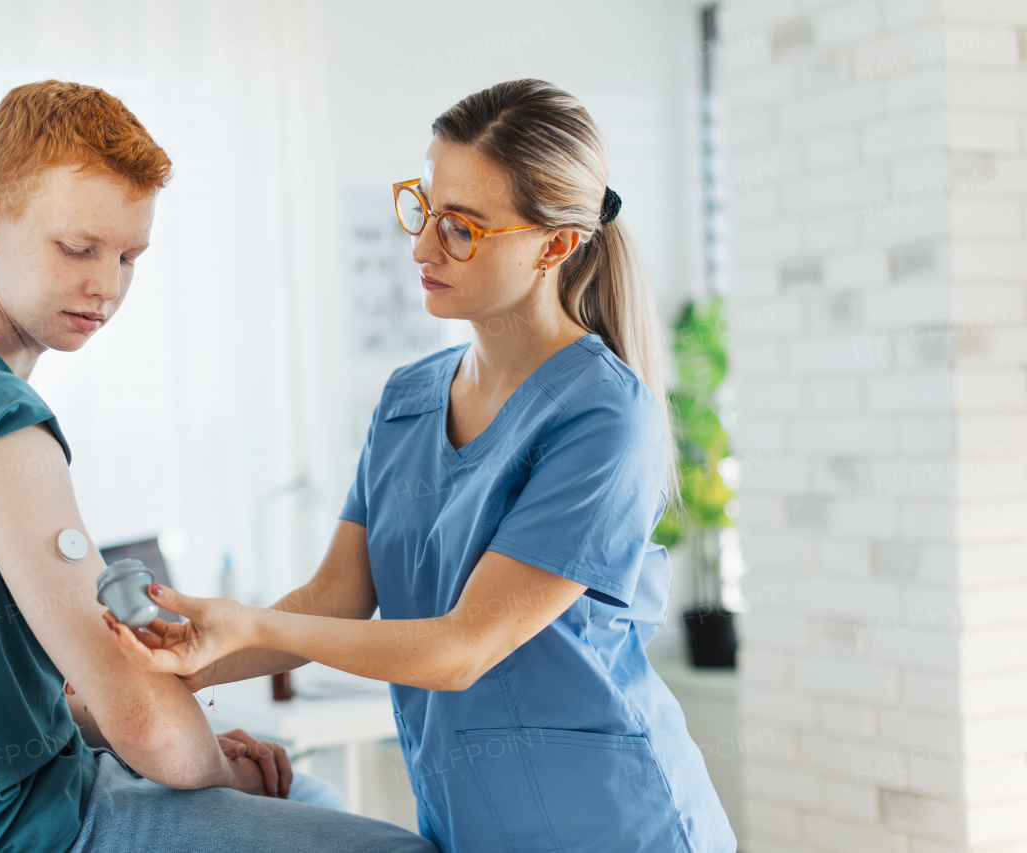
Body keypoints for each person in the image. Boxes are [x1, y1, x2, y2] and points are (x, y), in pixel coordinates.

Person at [0, 79, 435, 853]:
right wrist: (223, 774)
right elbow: (146, 724)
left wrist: (162, 731)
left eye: (129, 255)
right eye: (78, 247)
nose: (107, 284)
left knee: (313, 789)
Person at [105, 79, 738, 853]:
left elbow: (461, 646)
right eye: (425, 210)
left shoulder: (604, 414)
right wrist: (188, 660)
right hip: (469, 827)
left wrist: (250, 624)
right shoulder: (408, 400)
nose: (422, 247)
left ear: (555, 245)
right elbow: (336, 597)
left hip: (613, 825)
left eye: (463, 229)